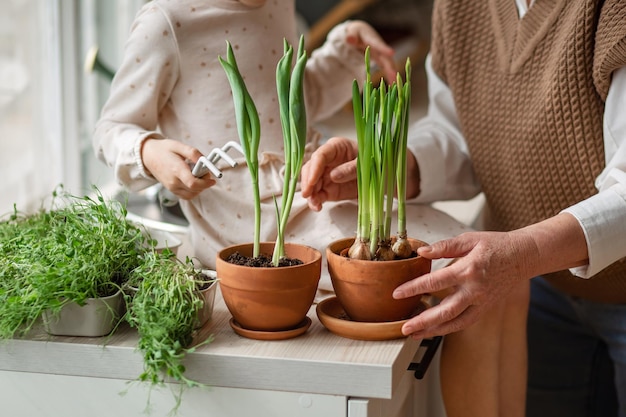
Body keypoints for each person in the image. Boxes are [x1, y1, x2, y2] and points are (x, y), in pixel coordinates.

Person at [300, 0, 626, 416]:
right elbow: (457, 135)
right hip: (538, 287)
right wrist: (384, 164)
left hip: (555, 273)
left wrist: (523, 255)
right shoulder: (459, 7)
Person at [92, 0, 404, 271]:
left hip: (307, 189)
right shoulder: (165, 22)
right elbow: (111, 128)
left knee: (414, 237)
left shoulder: (278, 4)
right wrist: (149, 153)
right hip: (242, 220)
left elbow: (292, 100)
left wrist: (346, 52)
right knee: (395, 259)